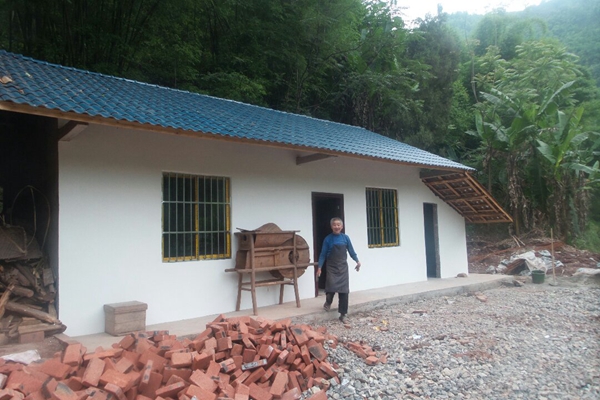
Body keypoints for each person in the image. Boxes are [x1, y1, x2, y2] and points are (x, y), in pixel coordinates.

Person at [317, 217, 361, 323]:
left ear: (342, 226)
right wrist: (319, 268)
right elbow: (323, 254)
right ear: (331, 226)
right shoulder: (328, 239)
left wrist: (357, 261)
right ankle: (328, 302)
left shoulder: (345, 238)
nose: (336, 227)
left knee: (344, 291)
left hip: (343, 267)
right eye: (334, 225)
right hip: (331, 267)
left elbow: (351, 251)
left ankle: (343, 314)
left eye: (338, 225)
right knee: (331, 287)